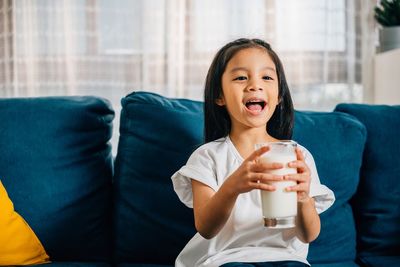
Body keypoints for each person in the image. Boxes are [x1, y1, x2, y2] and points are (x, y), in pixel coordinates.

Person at [171, 38, 335, 267]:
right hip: (224, 259)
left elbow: (309, 235)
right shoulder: (207, 156)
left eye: (266, 77)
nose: (254, 85)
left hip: (285, 259)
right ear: (219, 95)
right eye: (240, 77)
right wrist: (233, 186)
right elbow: (206, 228)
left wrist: (303, 197)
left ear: (278, 96)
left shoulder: (298, 156)